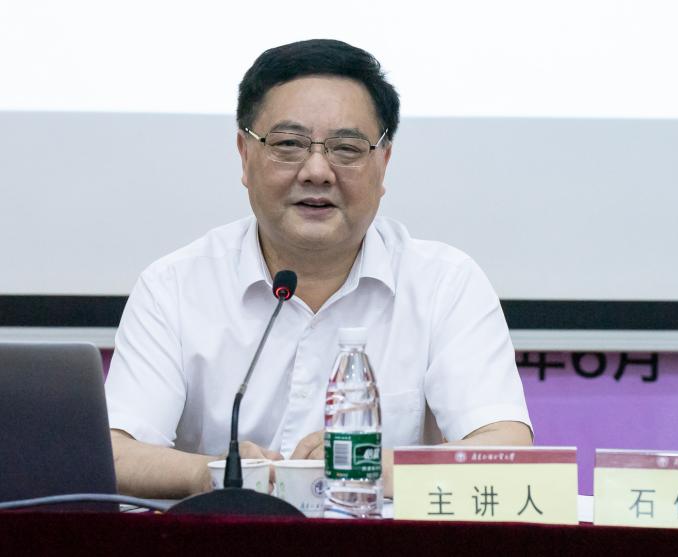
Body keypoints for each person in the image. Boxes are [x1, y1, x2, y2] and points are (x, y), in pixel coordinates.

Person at [105, 39, 532, 500]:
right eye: (288, 144)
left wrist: (367, 465)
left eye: (346, 148)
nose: (317, 171)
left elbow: (507, 450)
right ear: (244, 155)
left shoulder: (444, 284)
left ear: (384, 163)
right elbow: (116, 452)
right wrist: (219, 474)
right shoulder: (174, 285)